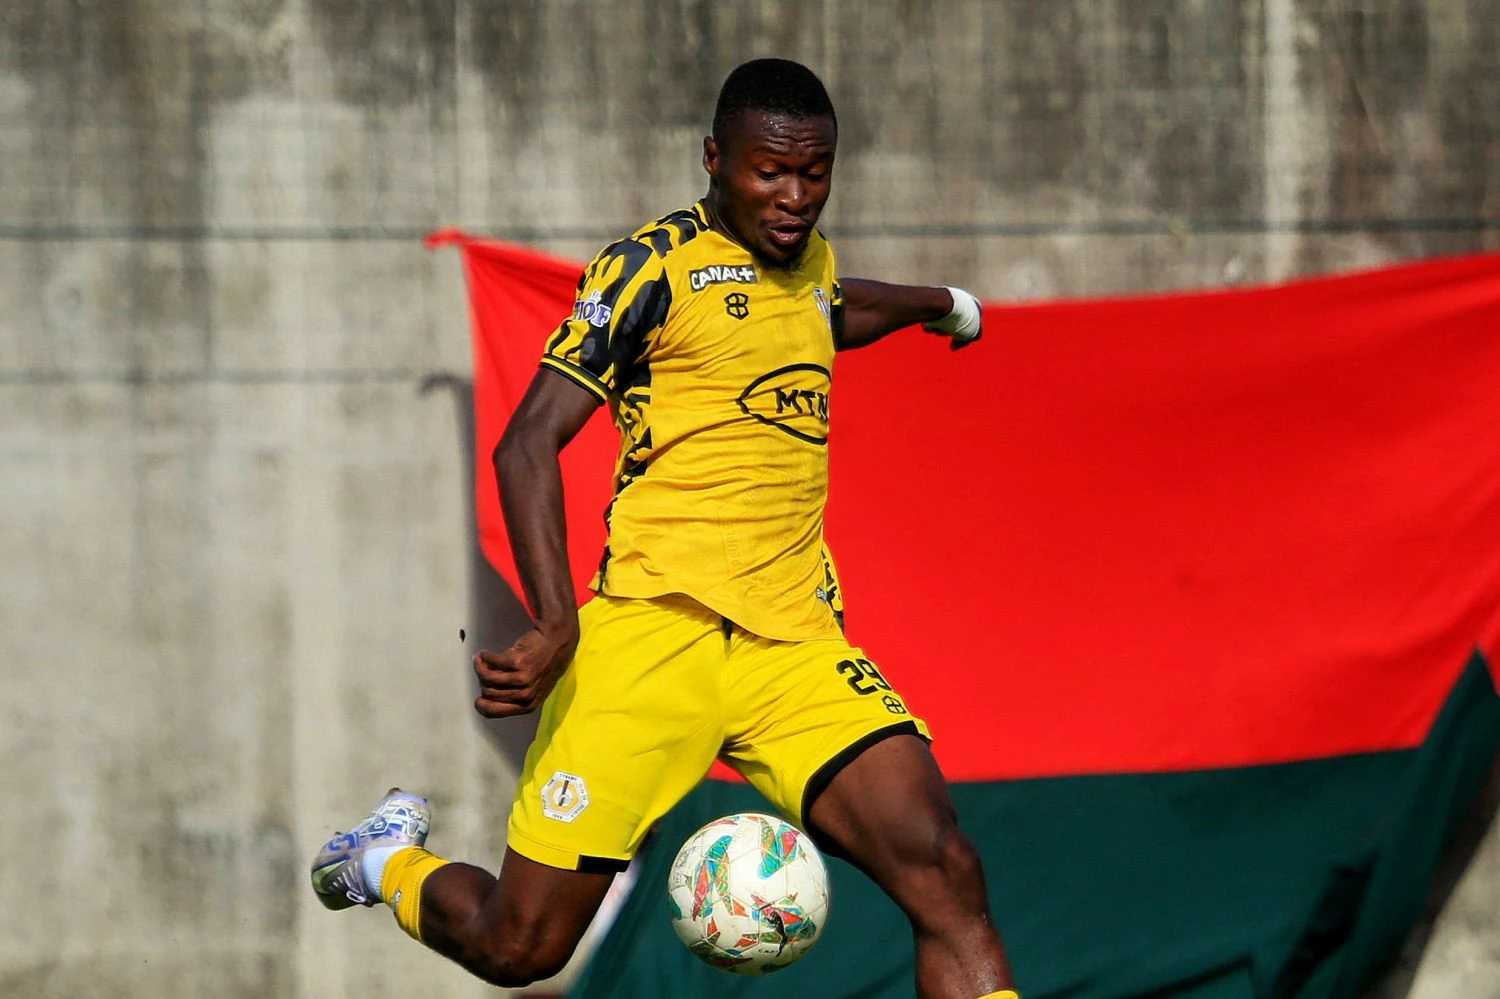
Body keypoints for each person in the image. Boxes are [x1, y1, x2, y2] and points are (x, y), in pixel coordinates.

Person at [311, 58, 1019, 999]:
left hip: (794, 647)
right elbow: (526, 445)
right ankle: (385, 860)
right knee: (519, 948)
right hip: (652, 636)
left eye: (815, 174)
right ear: (714, 159)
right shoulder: (649, 267)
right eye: (770, 172)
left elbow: (833, 310)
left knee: (946, 869)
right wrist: (556, 621)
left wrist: (939, 304)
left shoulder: (808, 263)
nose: (795, 197)